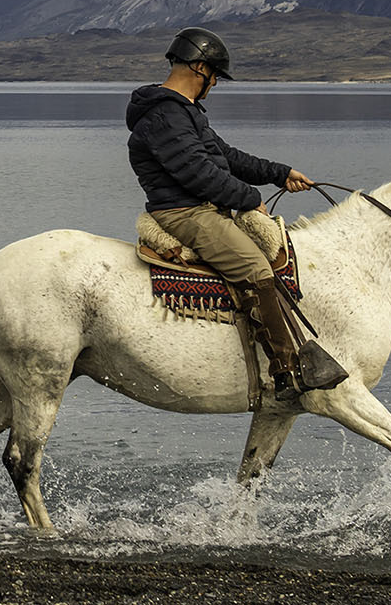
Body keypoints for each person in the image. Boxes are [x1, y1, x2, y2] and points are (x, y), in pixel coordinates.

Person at [127, 27, 346, 402]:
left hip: (200, 207)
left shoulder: (182, 111)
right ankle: (285, 371)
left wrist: (279, 173)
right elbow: (198, 172)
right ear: (200, 68)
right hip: (185, 213)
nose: (214, 84)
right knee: (257, 270)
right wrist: (249, 198)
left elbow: (225, 157)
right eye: (214, 75)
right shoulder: (165, 116)